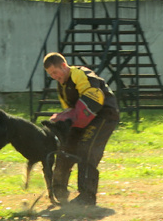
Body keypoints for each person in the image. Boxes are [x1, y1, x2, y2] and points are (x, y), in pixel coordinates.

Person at [43, 52, 120, 206]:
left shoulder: (80, 74)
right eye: (51, 74)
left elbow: (93, 100)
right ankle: (59, 190)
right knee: (65, 148)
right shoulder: (61, 86)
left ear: (64, 66)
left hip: (104, 115)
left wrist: (65, 118)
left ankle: (87, 197)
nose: (54, 77)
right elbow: (71, 112)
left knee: (87, 149)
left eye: (55, 72)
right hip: (85, 118)